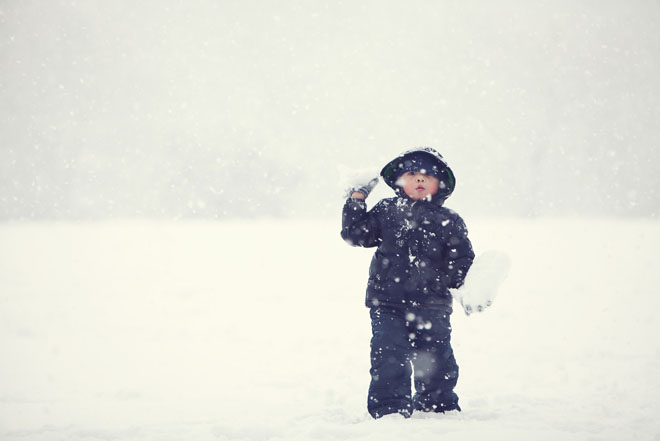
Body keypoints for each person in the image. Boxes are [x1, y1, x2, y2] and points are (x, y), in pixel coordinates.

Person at [341, 147, 474, 419]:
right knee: (389, 355)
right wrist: (357, 198)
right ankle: (390, 408)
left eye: (428, 175)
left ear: (441, 184)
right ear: (399, 181)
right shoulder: (387, 211)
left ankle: (437, 406)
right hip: (387, 302)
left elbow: (461, 260)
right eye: (412, 173)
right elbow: (356, 235)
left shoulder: (449, 220)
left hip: (433, 304)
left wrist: (468, 288)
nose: (420, 179)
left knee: (436, 357)